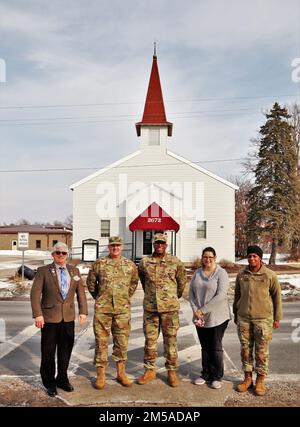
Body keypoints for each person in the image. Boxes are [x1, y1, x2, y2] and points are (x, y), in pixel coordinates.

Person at [30, 242, 88, 397]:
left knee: (65, 350)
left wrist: (83, 311)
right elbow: (35, 294)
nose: (61, 255)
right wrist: (38, 314)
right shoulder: (43, 271)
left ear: (67, 255)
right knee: (48, 352)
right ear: (53, 255)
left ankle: (62, 378)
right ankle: (49, 382)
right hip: (49, 318)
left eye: (63, 253)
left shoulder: (74, 271)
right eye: (58, 253)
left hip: (68, 318)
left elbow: (80, 293)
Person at [86, 236, 138, 389]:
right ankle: (101, 375)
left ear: (122, 247)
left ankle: (120, 373)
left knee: (121, 342)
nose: (115, 248)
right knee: (101, 342)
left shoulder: (130, 265)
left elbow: (133, 283)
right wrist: (100, 298)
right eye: (112, 245)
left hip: (122, 310)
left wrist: (124, 297)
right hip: (103, 310)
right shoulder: (99, 264)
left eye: (118, 245)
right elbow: (90, 283)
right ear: (109, 247)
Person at [137, 233, 187, 387]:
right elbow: (143, 281)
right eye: (157, 243)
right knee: (150, 341)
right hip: (151, 308)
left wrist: (171, 297)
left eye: (162, 243)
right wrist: (152, 296)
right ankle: (150, 370)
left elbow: (181, 282)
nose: (159, 245)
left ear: (166, 245)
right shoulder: (145, 262)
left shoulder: (175, 262)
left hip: (169, 310)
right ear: (153, 244)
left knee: (170, 341)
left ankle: (171, 371)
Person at [233, 245, 282, 396]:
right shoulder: (241, 274)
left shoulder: (269, 275)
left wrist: (277, 317)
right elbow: (237, 296)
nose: (251, 259)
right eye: (249, 256)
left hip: (263, 320)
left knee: (261, 352)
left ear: (260, 257)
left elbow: (277, 297)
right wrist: (236, 313)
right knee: (245, 351)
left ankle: (260, 380)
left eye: (254, 256)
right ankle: (248, 378)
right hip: (244, 319)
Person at [189, 247, 231, 389]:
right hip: (200, 317)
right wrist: (196, 311)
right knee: (205, 347)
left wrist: (203, 310)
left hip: (217, 317)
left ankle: (217, 376)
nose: (207, 260)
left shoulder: (221, 273)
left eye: (210, 257)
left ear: (215, 258)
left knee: (215, 346)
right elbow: (191, 294)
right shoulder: (197, 273)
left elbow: (221, 296)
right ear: (202, 257)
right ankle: (205, 374)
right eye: (205, 257)